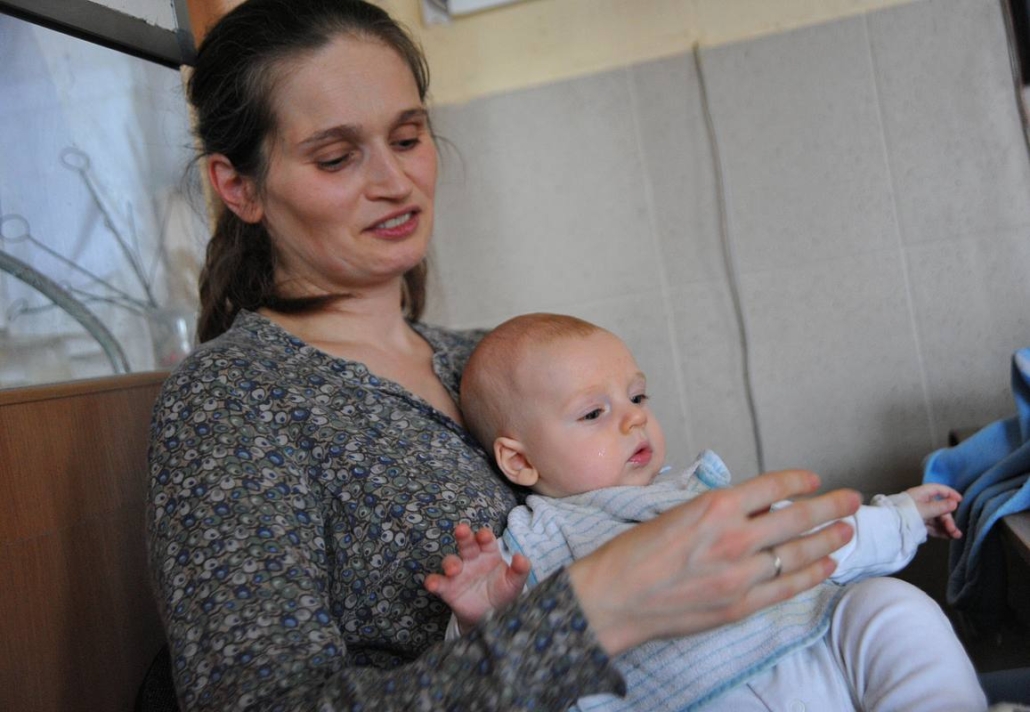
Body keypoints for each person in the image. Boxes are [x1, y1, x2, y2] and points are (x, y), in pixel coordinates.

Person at [145, 1, 863, 710]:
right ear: (239, 187)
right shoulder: (231, 399)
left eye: (407, 138)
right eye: (336, 158)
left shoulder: (488, 358)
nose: (394, 182)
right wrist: (594, 612)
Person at [427, 313, 987, 711]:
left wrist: (900, 517)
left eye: (637, 397)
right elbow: (503, 669)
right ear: (520, 461)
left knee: (887, 607)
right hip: (691, 698)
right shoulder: (533, 542)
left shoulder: (692, 494)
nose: (634, 419)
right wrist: (479, 618)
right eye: (594, 413)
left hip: (812, 647)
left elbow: (805, 537)